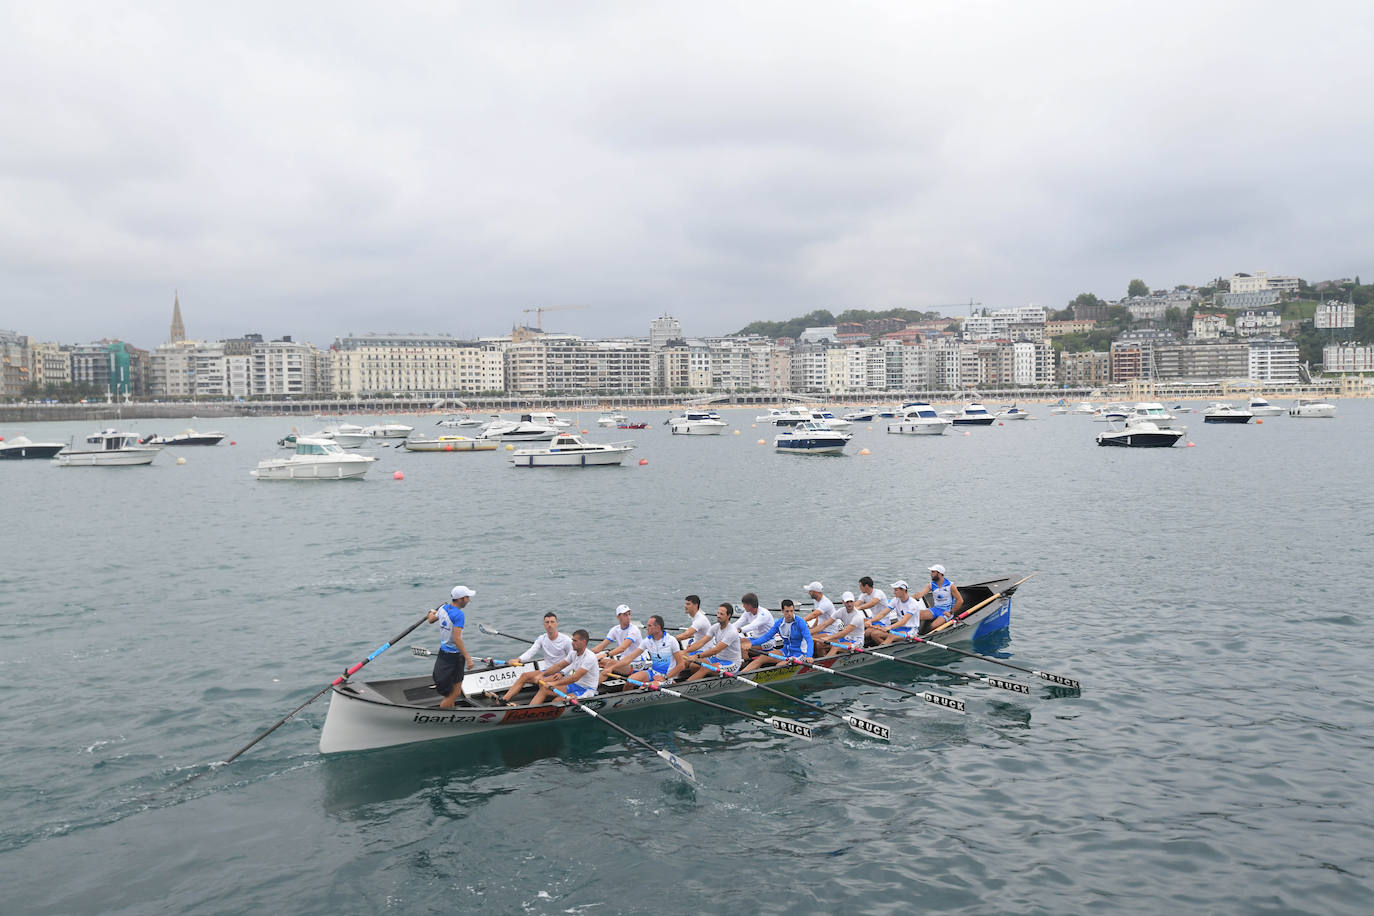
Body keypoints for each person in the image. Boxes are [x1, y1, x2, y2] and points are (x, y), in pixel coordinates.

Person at [497, 611, 575, 705]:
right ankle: (504, 700)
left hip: (560, 674)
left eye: (552, 622)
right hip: (547, 671)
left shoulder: (566, 640)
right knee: (524, 676)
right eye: (547, 622)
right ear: (544, 625)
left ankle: (531, 707)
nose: (549, 625)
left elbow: (573, 660)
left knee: (541, 682)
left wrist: (562, 673)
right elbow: (531, 652)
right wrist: (518, 660)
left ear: (556, 624)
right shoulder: (542, 638)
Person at [427, 585, 475, 708]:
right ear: (460, 599)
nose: (469, 600)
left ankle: (451, 711)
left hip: (443, 654)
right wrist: (468, 658)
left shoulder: (443, 608)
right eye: (467, 597)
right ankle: (441, 719)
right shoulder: (459, 615)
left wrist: (431, 611)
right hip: (455, 657)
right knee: (455, 693)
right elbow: (457, 639)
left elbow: (431, 619)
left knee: (449, 691)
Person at [530, 629, 599, 705]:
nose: (572, 643)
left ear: (584, 642)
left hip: (586, 690)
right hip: (575, 685)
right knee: (544, 689)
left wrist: (554, 683)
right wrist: (542, 674)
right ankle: (529, 710)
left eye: (575, 641)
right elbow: (559, 666)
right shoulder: (573, 653)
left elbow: (575, 677)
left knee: (557, 701)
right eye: (572, 640)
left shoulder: (589, 657)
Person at [743, 599, 814, 672]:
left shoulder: (800, 622)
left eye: (791, 611)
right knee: (761, 658)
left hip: (800, 654)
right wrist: (751, 644)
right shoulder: (779, 623)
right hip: (785, 651)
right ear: (782, 611)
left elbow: (809, 640)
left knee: (779, 666)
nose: (789, 614)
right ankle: (740, 675)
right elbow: (767, 637)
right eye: (787, 611)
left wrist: (809, 656)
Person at [683, 603, 744, 681]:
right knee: (694, 665)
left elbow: (716, 650)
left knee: (704, 668)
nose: (718, 615)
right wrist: (685, 651)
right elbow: (701, 642)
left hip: (731, 663)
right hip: (717, 659)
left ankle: (686, 685)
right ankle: (700, 681)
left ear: (728, 616)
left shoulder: (731, 631)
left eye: (721, 614)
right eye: (718, 613)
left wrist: (697, 656)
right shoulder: (715, 627)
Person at [591, 604, 645, 684]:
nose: (628, 617)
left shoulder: (634, 630)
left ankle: (592, 688)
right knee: (598, 662)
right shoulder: (615, 630)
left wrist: (606, 654)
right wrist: (587, 655)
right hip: (623, 661)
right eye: (625, 615)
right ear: (618, 617)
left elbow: (622, 648)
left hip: (637, 663)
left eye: (629, 614)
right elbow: (600, 647)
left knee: (610, 664)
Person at [865, 579, 923, 645]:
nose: (894, 592)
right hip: (899, 628)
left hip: (911, 630)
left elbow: (904, 621)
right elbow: (882, 614)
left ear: (903, 590)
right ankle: (887, 649)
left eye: (896, 590)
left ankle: (885, 649)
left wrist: (889, 627)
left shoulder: (912, 604)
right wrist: (871, 621)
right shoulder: (895, 600)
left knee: (891, 636)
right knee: (875, 634)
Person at [628, 615, 680, 685]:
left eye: (649, 626)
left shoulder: (671, 641)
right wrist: (613, 667)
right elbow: (630, 657)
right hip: (652, 672)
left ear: (658, 628)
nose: (647, 628)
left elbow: (681, 665)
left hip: (665, 677)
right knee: (629, 681)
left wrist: (665, 677)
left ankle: (671, 683)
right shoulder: (647, 641)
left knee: (644, 688)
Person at [912, 564, 963, 633]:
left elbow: (960, 601)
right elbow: (920, 594)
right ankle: (913, 632)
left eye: (933, 572)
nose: (931, 574)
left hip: (946, 612)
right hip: (935, 609)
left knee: (933, 626)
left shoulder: (951, 586)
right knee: (915, 615)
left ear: (939, 573)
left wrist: (951, 612)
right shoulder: (931, 585)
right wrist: (909, 598)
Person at [815, 591, 867, 657]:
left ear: (854, 602)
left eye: (851, 601)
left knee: (835, 647)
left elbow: (843, 633)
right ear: (843, 602)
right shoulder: (841, 611)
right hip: (845, 638)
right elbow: (824, 624)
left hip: (856, 641)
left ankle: (827, 664)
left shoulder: (858, 616)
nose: (849, 604)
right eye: (847, 602)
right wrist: (809, 632)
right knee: (819, 644)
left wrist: (828, 638)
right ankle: (822, 662)